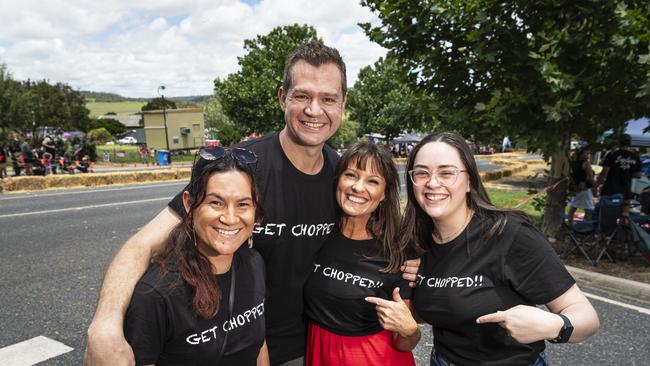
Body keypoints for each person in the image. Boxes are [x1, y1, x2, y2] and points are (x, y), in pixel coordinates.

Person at [84, 41, 425, 366]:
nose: (314, 110)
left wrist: (410, 261)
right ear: (282, 97)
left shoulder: (342, 179)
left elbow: (379, 231)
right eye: (302, 95)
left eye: (328, 99)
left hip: (313, 345)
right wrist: (105, 325)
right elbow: (143, 244)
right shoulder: (244, 168)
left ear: (343, 104)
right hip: (236, 346)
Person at [402, 132, 599, 365]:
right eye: (422, 173)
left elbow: (587, 318)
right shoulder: (416, 241)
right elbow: (435, 312)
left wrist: (553, 325)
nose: (433, 182)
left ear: (469, 181)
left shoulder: (508, 233)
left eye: (447, 172)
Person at [123, 147, 269, 365]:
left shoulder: (254, 262)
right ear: (189, 204)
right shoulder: (156, 294)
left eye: (243, 204)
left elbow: (259, 345)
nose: (230, 218)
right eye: (215, 203)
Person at [304, 142, 419, 366]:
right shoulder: (315, 235)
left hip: (374, 358)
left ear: (384, 194)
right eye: (351, 175)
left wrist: (412, 332)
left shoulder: (398, 252)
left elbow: (404, 341)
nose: (358, 187)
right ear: (338, 179)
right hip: (319, 353)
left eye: (373, 181)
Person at [595, 134, 642, 215]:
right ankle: (622, 226)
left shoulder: (612, 154)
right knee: (624, 215)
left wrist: (595, 186)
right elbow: (639, 175)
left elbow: (604, 173)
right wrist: (628, 173)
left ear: (618, 142)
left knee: (605, 215)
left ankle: (606, 227)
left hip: (610, 190)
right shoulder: (635, 157)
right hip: (625, 191)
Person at [567, 147, 596, 225]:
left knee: (573, 207)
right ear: (581, 154)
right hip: (585, 188)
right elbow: (590, 176)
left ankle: (570, 224)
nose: (588, 155)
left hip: (576, 188)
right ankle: (586, 226)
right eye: (586, 153)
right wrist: (595, 186)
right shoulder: (586, 163)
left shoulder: (573, 163)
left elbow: (570, 176)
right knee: (589, 208)